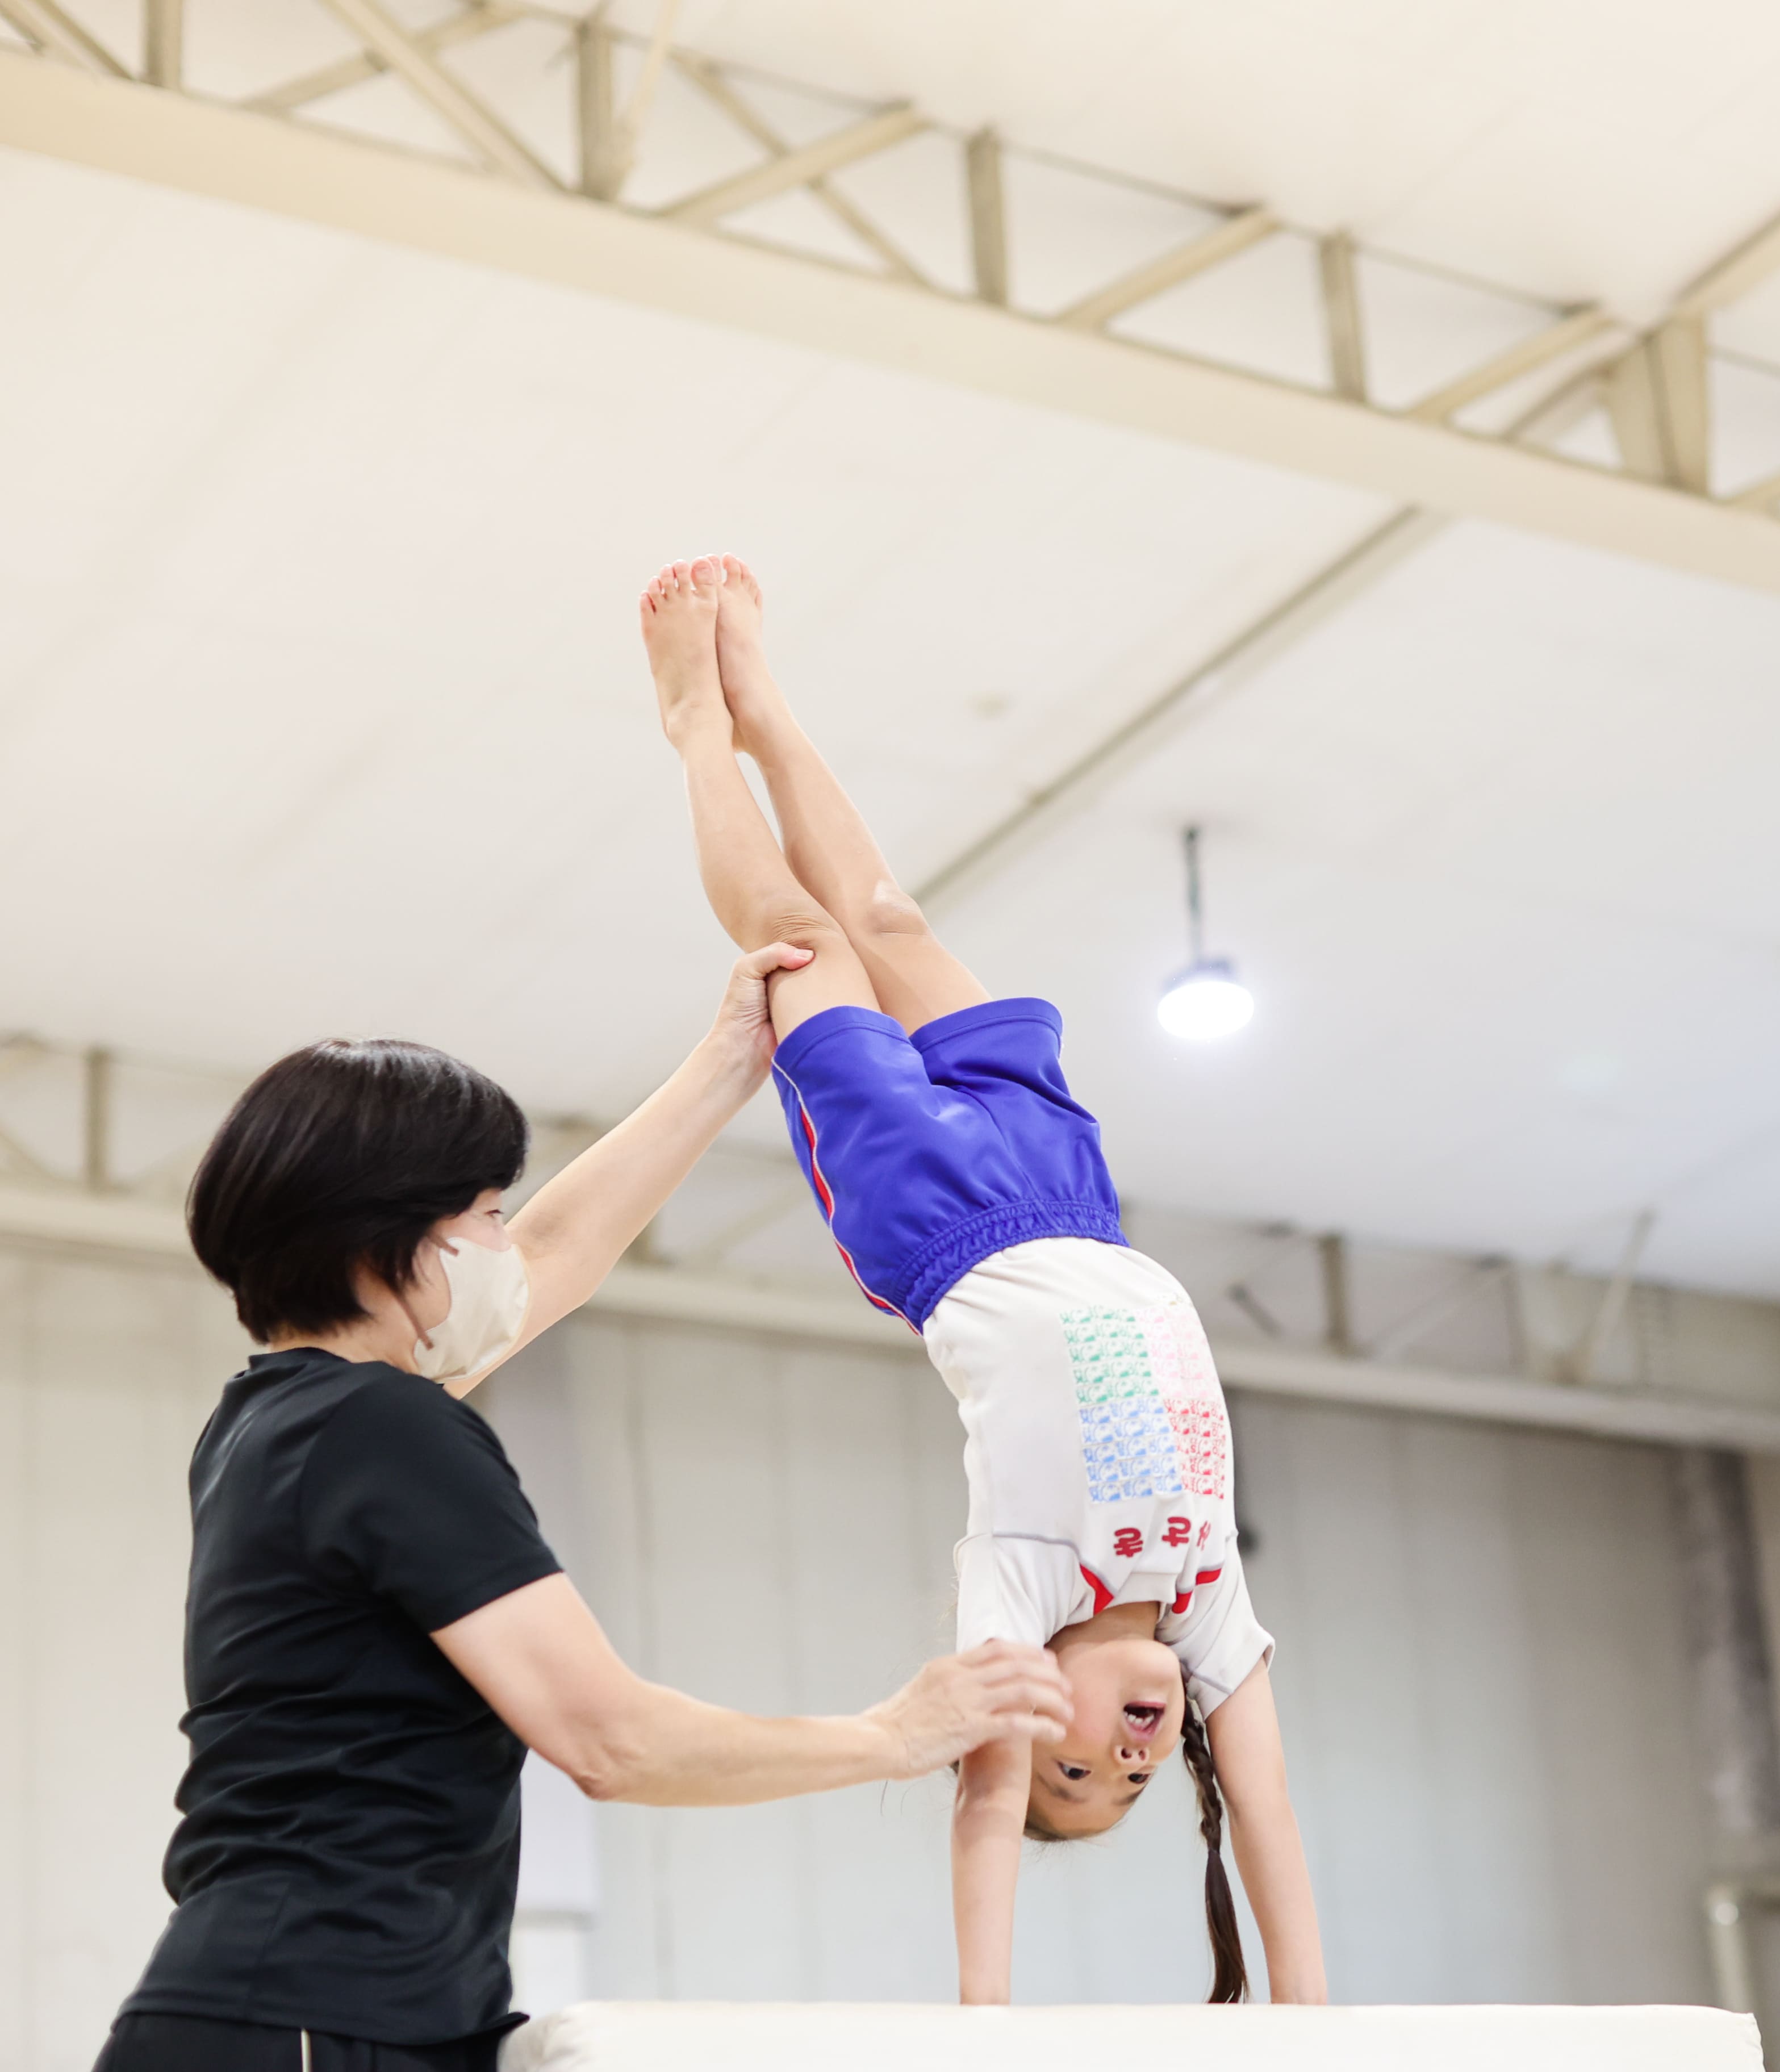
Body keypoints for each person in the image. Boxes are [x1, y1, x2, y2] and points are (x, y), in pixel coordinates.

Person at [94, 941, 1076, 2071]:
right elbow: (613, 1743)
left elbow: (562, 1254)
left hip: (301, 2010)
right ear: (386, 1249)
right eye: (487, 1216)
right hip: (315, 2018)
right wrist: (895, 1735)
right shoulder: (380, 1429)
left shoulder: (277, 1424)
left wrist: (727, 1062)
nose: (509, 1247)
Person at [641, 554, 1327, 2007]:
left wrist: (984, 2024)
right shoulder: (1209, 1607)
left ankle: (700, 729)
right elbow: (1264, 1811)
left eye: (1065, 1767)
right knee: (889, 921)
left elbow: (980, 1811)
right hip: (1074, 1198)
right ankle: (768, 705)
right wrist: (1312, 2020)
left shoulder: (1017, 1594)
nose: (1121, 1754)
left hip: (931, 1224)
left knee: (804, 943)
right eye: (1129, 1781)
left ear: (1026, 1717)